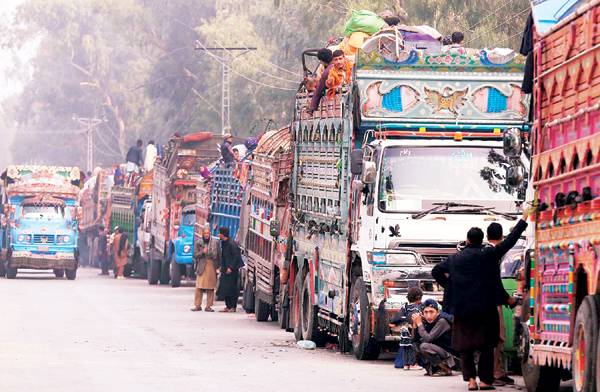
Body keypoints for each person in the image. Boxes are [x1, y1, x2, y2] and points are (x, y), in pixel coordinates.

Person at [432, 209, 529, 391]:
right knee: (487, 346)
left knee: (466, 346)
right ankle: (485, 382)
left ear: (467, 240)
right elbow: (510, 241)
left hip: (463, 309)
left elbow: (436, 271)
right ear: (481, 240)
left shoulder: (455, 259)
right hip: (486, 309)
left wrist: (451, 287)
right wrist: (523, 219)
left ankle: (471, 381)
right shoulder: (489, 255)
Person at [486, 223, 515, 387]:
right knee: (498, 337)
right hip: (493, 303)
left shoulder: (486, 252)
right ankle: (495, 372)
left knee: (498, 338)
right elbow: (495, 283)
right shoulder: (492, 252)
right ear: (501, 236)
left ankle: (498, 370)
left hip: (490, 301)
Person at [413, 299, 456, 377]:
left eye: (431, 312)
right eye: (426, 312)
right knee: (416, 344)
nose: (428, 315)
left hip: (451, 357)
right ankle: (433, 369)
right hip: (441, 352)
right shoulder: (426, 321)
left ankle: (446, 369)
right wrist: (415, 324)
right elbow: (415, 339)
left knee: (424, 346)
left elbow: (428, 339)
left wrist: (419, 324)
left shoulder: (442, 321)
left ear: (437, 312)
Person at [390, 287, 424, 369]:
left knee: (405, 347)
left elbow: (395, 319)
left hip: (404, 331)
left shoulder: (405, 307)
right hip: (411, 330)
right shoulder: (417, 308)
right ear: (419, 298)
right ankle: (413, 364)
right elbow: (414, 318)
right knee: (412, 347)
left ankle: (405, 364)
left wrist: (396, 322)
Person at [191, 226, 220, 312]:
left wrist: (219, 267)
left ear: (210, 233)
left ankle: (208, 306)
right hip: (201, 266)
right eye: (205, 233)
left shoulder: (215, 242)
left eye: (208, 233)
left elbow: (218, 255)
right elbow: (195, 255)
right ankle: (197, 305)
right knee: (199, 287)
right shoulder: (198, 242)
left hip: (211, 265)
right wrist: (202, 252)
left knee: (210, 288)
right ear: (202, 234)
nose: (206, 235)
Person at [216, 227, 243, 312]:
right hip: (225, 269)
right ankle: (227, 306)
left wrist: (231, 267)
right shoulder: (224, 243)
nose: (218, 235)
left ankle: (233, 306)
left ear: (223, 234)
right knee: (225, 288)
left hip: (232, 270)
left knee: (232, 289)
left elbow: (236, 257)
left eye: (220, 233)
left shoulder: (232, 244)